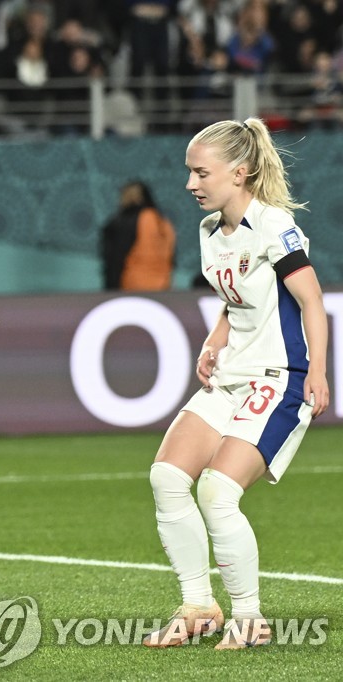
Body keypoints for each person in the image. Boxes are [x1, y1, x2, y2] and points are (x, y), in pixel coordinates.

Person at [143, 118, 329, 650]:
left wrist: (317, 371)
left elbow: (311, 300)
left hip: (278, 378)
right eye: (190, 172)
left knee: (218, 492)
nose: (190, 184)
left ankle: (250, 619)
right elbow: (238, 297)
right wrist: (215, 339)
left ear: (239, 172)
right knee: (166, 477)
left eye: (201, 173)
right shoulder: (209, 232)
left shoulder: (273, 225)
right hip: (231, 375)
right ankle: (199, 606)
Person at [100, 180, 176, 291]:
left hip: (131, 286)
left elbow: (116, 255)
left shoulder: (130, 220)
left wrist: (111, 286)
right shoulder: (163, 222)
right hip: (163, 286)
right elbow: (172, 257)